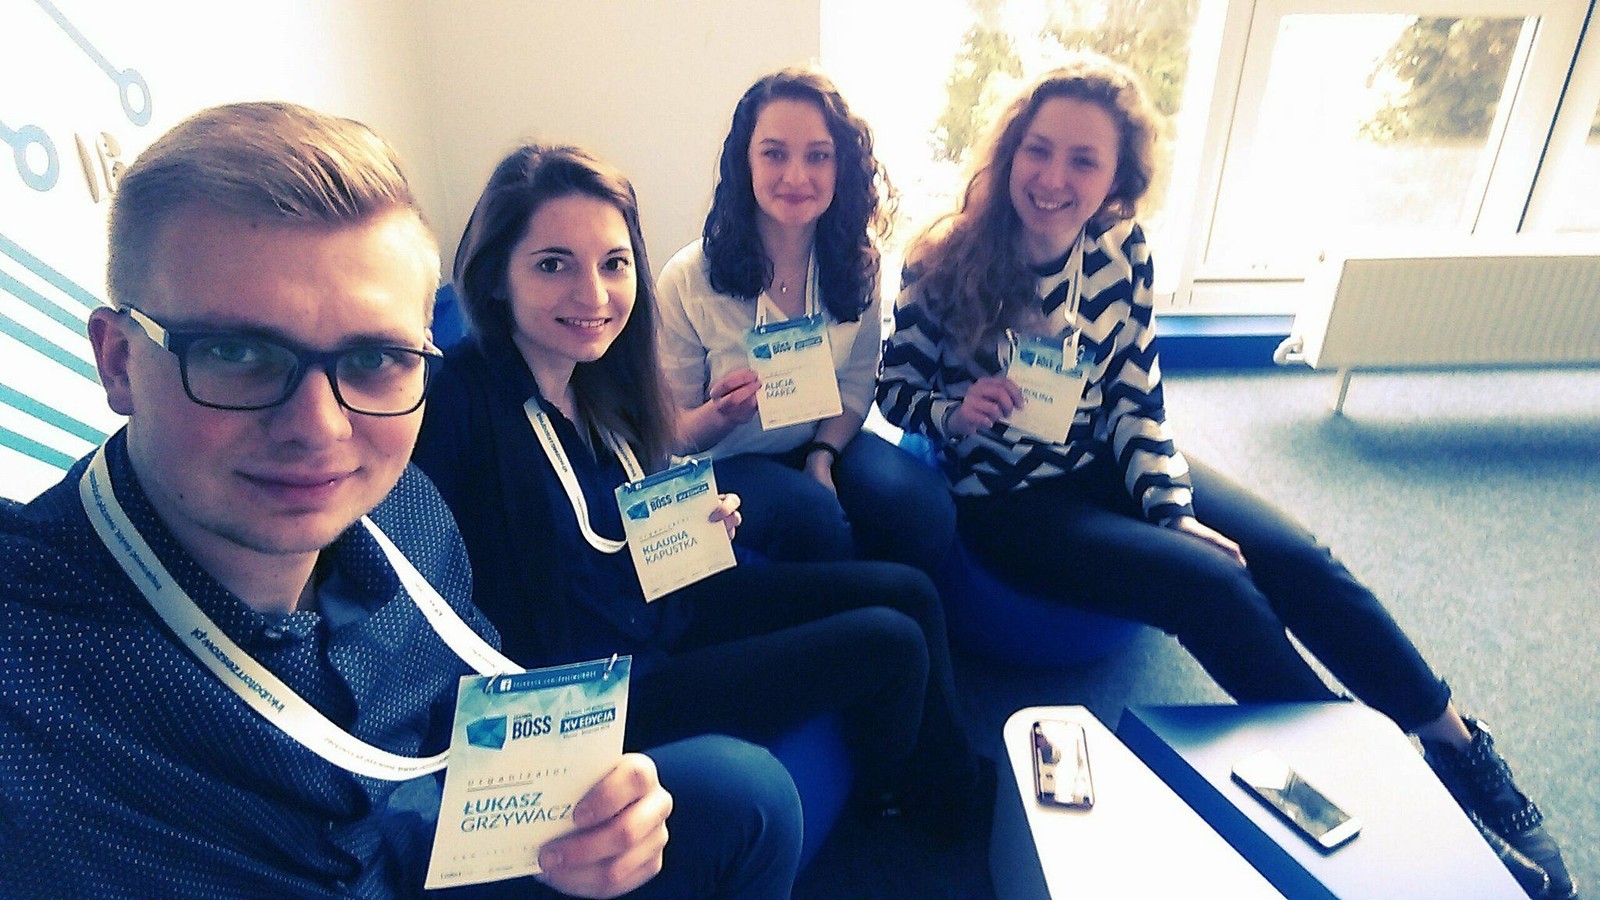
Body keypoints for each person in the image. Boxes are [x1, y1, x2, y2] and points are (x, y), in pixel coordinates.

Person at [0, 101, 802, 900]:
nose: (319, 427)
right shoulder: (30, 671)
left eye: (376, 358)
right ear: (118, 361)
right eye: (236, 352)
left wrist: (583, 823)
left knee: (745, 797)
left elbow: (465, 729)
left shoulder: (408, 514)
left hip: (416, 848)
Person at [877, 56, 1574, 899]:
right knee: (1211, 587)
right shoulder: (945, 259)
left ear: (1117, 181)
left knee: (1297, 556)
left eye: (1083, 160)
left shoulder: (1122, 250)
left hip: (1107, 458)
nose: (1053, 178)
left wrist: (1170, 509)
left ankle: (1455, 742)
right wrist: (955, 409)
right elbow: (895, 391)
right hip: (1010, 500)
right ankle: (1398, 795)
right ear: (1010, 150)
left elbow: (1137, 398)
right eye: (1039, 149)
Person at [411, 143, 991, 844]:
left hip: (666, 604)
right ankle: (913, 804)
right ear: (497, 276)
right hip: (605, 689)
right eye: (552, 264)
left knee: (910, 591)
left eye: (613, 264)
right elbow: (433, 594)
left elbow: (618, 515)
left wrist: (690, 524)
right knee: (889, 643)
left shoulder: (598, 376)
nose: (593, 296)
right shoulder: (458, 402)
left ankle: (949, 777)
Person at [655, 68, 955, 574]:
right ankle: (867, 614)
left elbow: (857, 383)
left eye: (818, 156)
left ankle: (899, 607)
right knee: (813, 520)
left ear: (842, 168)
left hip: (822, 441)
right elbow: (672, 435)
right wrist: (721, 414)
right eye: (774, 154)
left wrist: (822, 455)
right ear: (744, 162)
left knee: (924, 509)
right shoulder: (689, 279)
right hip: (725, 463)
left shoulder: (857, 263)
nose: (796, 177)